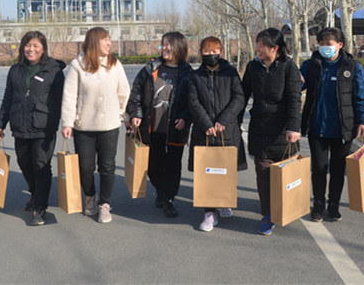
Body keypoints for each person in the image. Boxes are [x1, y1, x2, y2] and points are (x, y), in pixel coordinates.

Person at [0, 31, 65, 226]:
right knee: (24, 163)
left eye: (35, 46)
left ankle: (40, 207)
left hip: (44, 127)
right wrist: (0, 123)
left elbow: (62, 99)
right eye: (27, 45)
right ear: (22, 48)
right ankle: (35, 194)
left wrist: (63, 123)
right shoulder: (15, 70)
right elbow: (8, 97)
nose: (31, 49)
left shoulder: (53, 70)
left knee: (41, 165)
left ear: (43, 49)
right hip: (20, 124)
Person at [61, 27, 130, 224]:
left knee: (107, 166)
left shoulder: (114, 64)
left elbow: (123, 91)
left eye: (109, 40)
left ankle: (105, 204)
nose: (109, 43)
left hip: (109, 126)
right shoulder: (78, 65)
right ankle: (90, 197)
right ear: (94, 42)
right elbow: (69, 96)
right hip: (84, 126)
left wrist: (120, 114)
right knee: (86, 167)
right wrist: (67, 122)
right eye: (105, 40)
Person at [301, 27, 364, 222]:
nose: (324, 47)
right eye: (321, 43)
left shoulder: (352, 67)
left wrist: (363, 121)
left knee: (338, 170)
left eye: (328, 44)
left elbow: (361, 96)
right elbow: (296, 85)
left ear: (340, 45)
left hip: (343, 129)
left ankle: (333, 206)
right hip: (317, 127)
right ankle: (318, 205)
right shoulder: (310, 65)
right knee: (319, 168)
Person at [242, 28, 302, 236]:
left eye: (261, 45)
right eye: (257, 45)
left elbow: (295, 99)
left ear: (274, 48)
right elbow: (242, 95)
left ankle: (285, 206)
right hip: (259, 127)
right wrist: (234, 122)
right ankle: (267, 214)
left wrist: (293, 127)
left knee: (284, 172)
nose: (257, 49)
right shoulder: (253, 67)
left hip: (283, 131)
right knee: (263, 172)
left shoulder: (289, 68)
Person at [125, 31, 192, 218]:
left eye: (169, 44)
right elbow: (136, 94)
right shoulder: (150, 68)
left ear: (179, 47)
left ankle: (169, 199)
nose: (165, 48)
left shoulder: (187, 73)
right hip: (151, 127)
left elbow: (193, 101)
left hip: (175, 129)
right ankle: (161, 190)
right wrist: (136, 114)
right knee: (153, 166)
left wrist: (185, 118)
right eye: (164, 44)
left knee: (173, 166)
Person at [188, 36, 247, 232]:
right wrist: (206, 123)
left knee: (224, 169)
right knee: (206, 173)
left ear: (221, 52)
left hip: (226, 130)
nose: (211, 55)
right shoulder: (195, 76)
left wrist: (223, 120)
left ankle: (224, 201)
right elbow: (193, 102)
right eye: (207, 51)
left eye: (214, 51)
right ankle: (209, 213)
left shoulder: (230, 73)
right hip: (203, 132)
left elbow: (239, 98)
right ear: (201, 53)